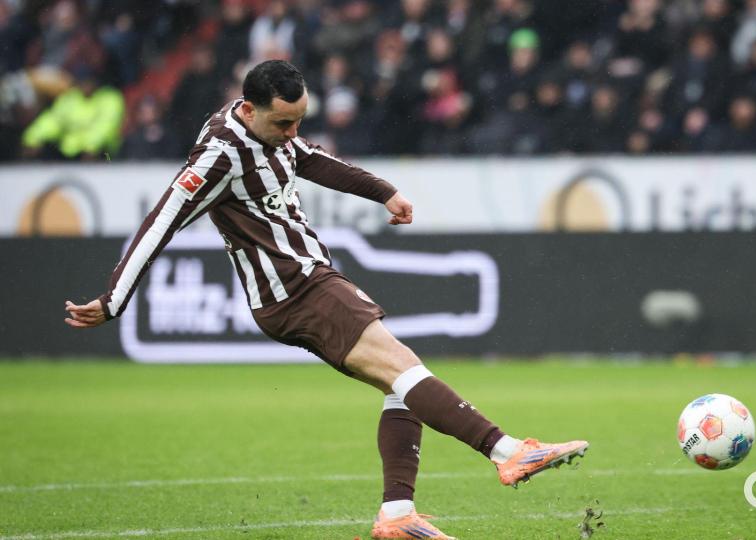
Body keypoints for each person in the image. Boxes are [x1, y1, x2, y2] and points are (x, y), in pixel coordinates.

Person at [63, 59, 588, 540]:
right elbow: (162, 220)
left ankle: (397, 516)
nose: (292, 133)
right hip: (296, 288)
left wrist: (384, 191)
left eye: (298, 120)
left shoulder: (270, 131)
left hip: (309, 282)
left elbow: (310, 158)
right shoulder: (219, 155)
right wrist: (114, 299)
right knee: (406, 370)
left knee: (402, 382)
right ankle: (507, 451)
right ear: (249, 110)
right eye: (283, 124)